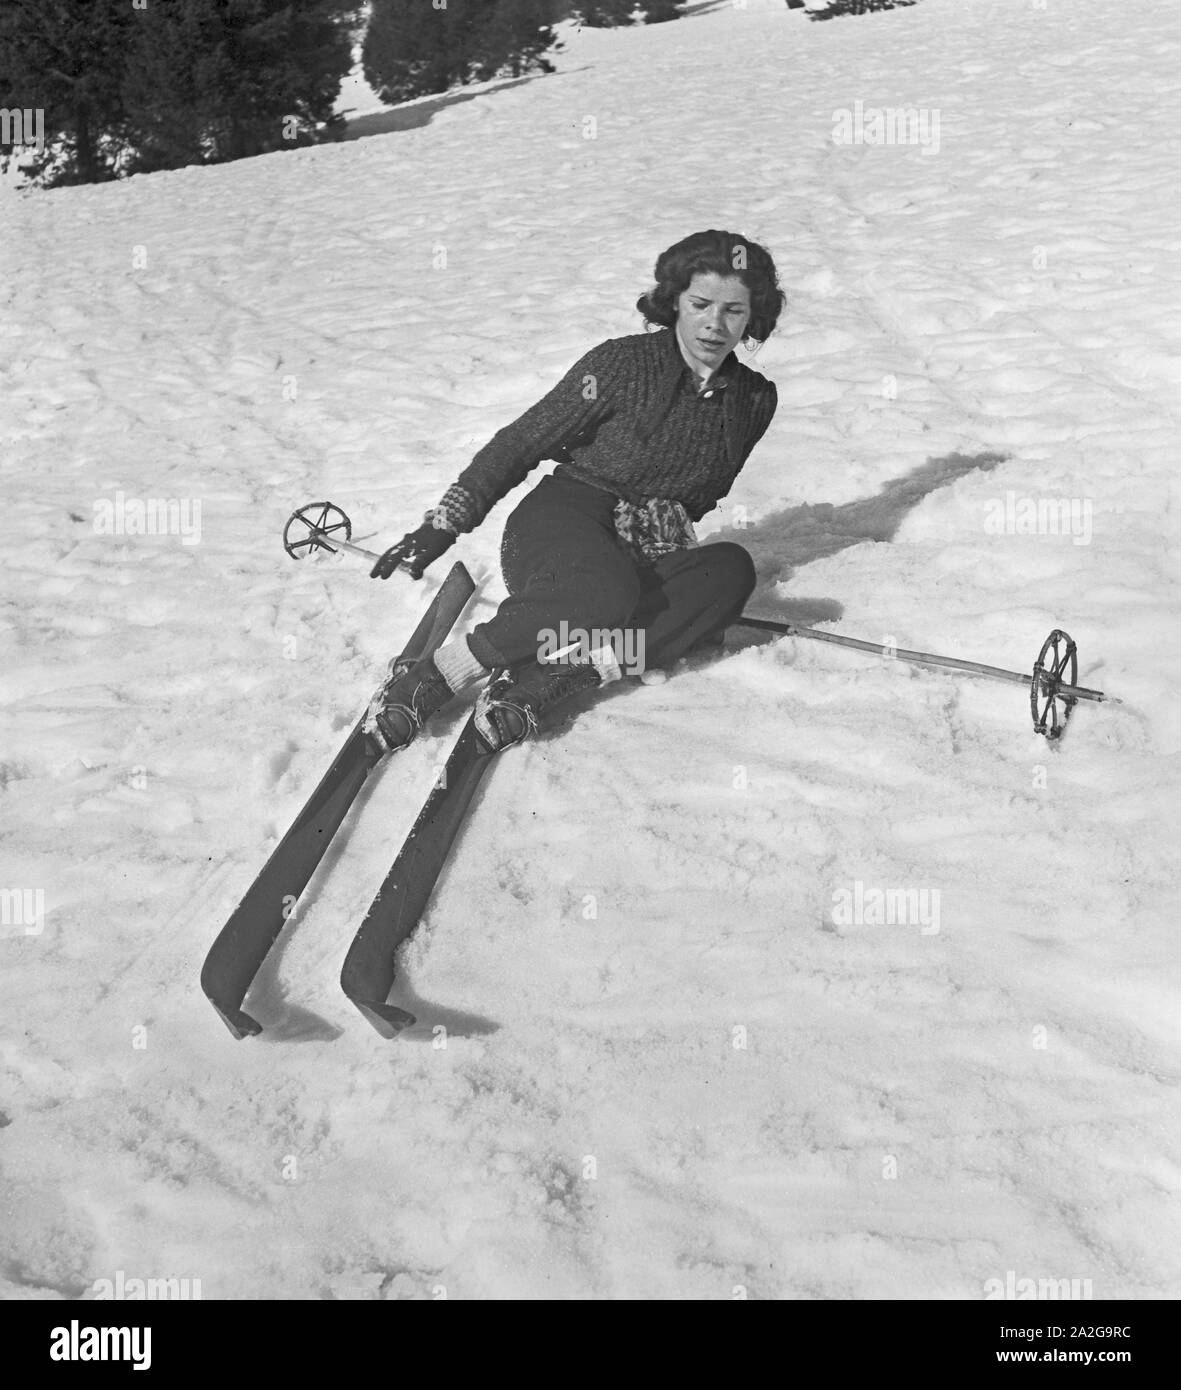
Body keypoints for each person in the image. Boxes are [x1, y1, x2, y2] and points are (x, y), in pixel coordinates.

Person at [366, 228, 783, 754]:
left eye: (733, 311)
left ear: (753, 317)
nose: (714, 324)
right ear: (674, 301)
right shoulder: (622, 365)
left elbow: (701, 492)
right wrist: (443, 523)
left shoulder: (753, 400)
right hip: (563, 521)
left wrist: (667, 525)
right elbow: (522, 441)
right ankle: (435, 676)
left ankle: (556, 675)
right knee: (603, 592)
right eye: (700, 304)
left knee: (728, 573)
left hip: (638, 547)